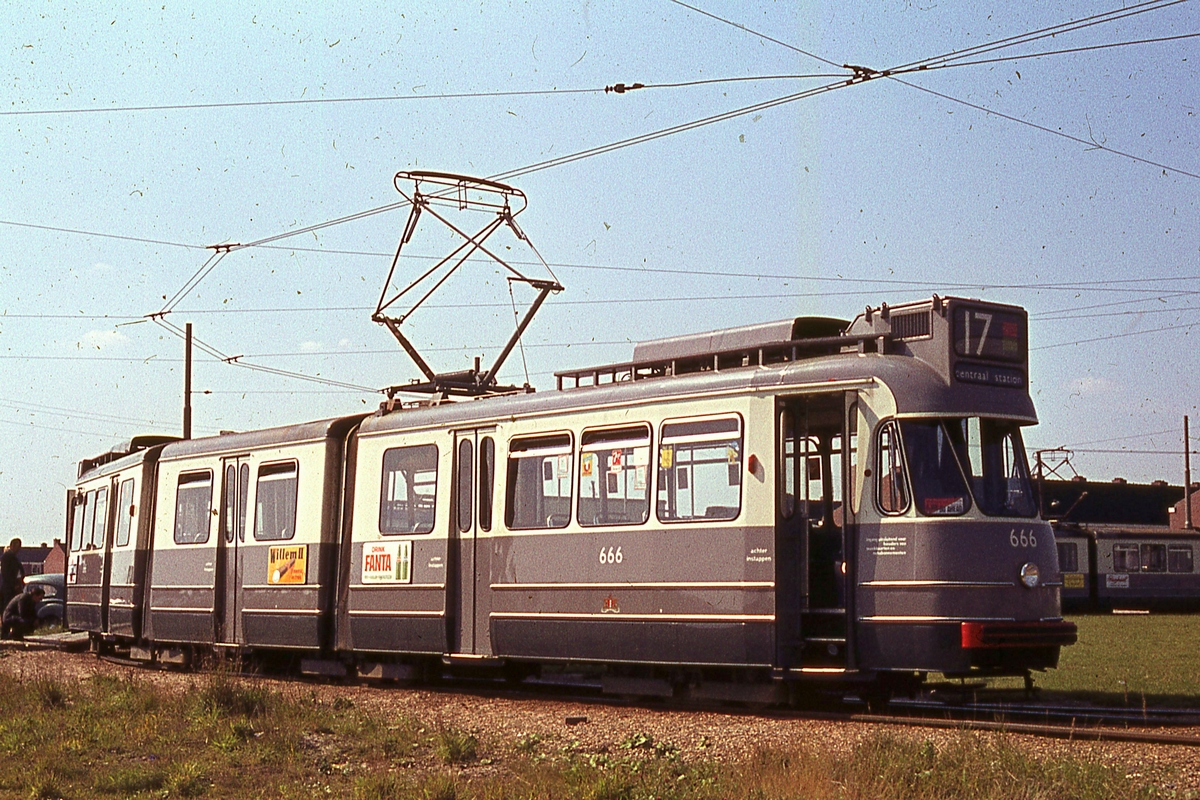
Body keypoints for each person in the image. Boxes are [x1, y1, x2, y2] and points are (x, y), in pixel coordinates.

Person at [0, 538, 24, 610]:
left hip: (12, 587)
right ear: (12, 545)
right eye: (18, 546)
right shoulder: (7, 557)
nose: (19, 549)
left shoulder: (13, 557)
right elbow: (6, 573)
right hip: (9, 588)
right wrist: (14, 584)